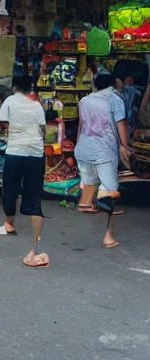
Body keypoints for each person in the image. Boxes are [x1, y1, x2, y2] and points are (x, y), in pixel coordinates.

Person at [0, 76, 49, 268]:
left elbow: (3, 129)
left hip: (15, 151)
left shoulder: (9, 102)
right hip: (35, 152)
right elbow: (43, 129)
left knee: (10, 188)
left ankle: (9, 224)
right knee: (33, 194)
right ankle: (36, 242)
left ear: (14, 87)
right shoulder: (36, 103)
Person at [75, 73, 128, 248]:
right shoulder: (114, 99)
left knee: (90, 181)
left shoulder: (85, 101)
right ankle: (108, 236)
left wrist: (78, 145)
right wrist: (124, 146)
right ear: (112, 84)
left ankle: (87, 203)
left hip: (84, 148)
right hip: (104, 151)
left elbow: (81, 125)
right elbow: (121, 124)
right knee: (110, 191)